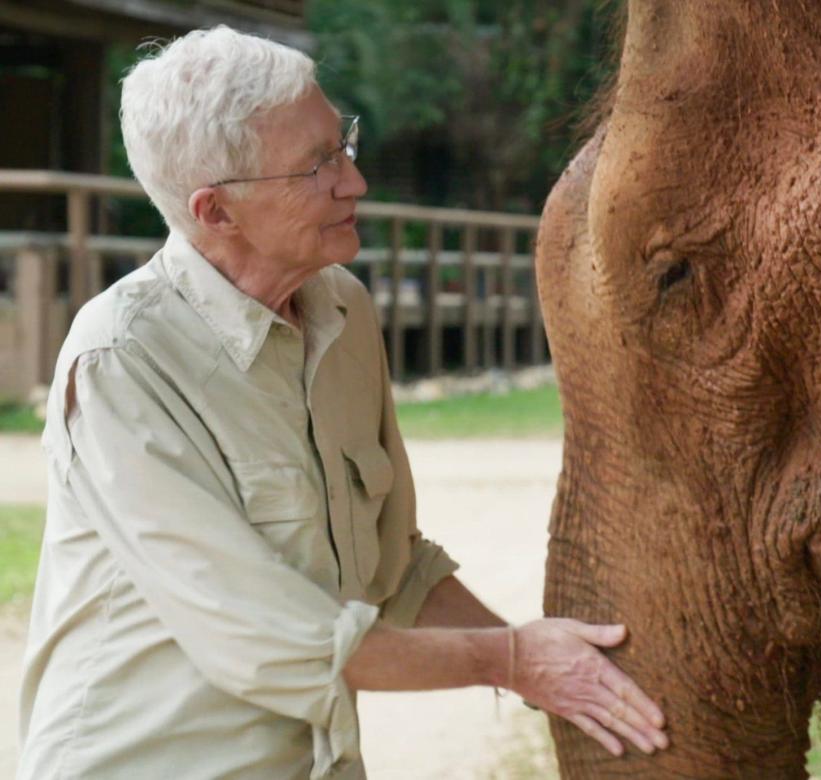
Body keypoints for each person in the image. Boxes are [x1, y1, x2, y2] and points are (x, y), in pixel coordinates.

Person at [17, 25, 667, 780]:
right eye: (315, 167)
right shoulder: (121, 362)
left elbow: (393, 567)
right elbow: (274, 643)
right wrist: (515, 660)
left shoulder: (342, 311)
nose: (353, 182)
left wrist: (551, 667)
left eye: (341, 145)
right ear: (215, 212)